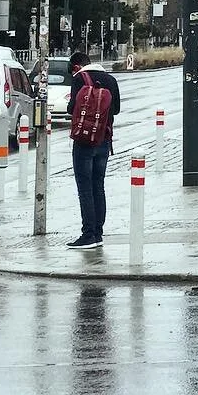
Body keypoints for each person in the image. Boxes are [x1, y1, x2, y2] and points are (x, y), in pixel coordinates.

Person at [67, 50, 121, 250]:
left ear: (76, 66)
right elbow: (116, 110)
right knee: (99, 185)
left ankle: (87, 234)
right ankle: (98, 233)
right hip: (104, 140)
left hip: (83, 141)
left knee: (85, 187)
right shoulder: (111, 79)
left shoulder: (79, 78)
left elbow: (72, 108)